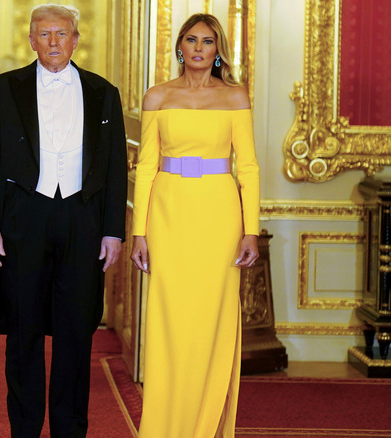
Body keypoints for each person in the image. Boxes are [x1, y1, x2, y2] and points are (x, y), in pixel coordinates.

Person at [0, 4, 127, 437]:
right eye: (44, 35)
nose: (54, 42)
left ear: (76, 39)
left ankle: (69, 429)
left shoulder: (103, 91)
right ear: (31, 39)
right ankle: (23, 430)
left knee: (76, 335)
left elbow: (115, 167)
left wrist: (114, 229)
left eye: (62, 34)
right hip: (24, 217)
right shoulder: (4, 88)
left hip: (83, 220)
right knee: (23, 334)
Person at [130, 13, 260, 438]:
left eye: (208, 41)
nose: (199, 48)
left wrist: (251, 230)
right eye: (191, 40)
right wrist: (140, 232)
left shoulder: (236, 97)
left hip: (219, 215)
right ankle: (163, 426)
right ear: (180, 47)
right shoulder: (157, 96)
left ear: (217, 48)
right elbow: (146, 166)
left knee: (213, 319)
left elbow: (251, 169)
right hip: (168, 213)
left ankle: (205, 426)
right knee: (169, 321)